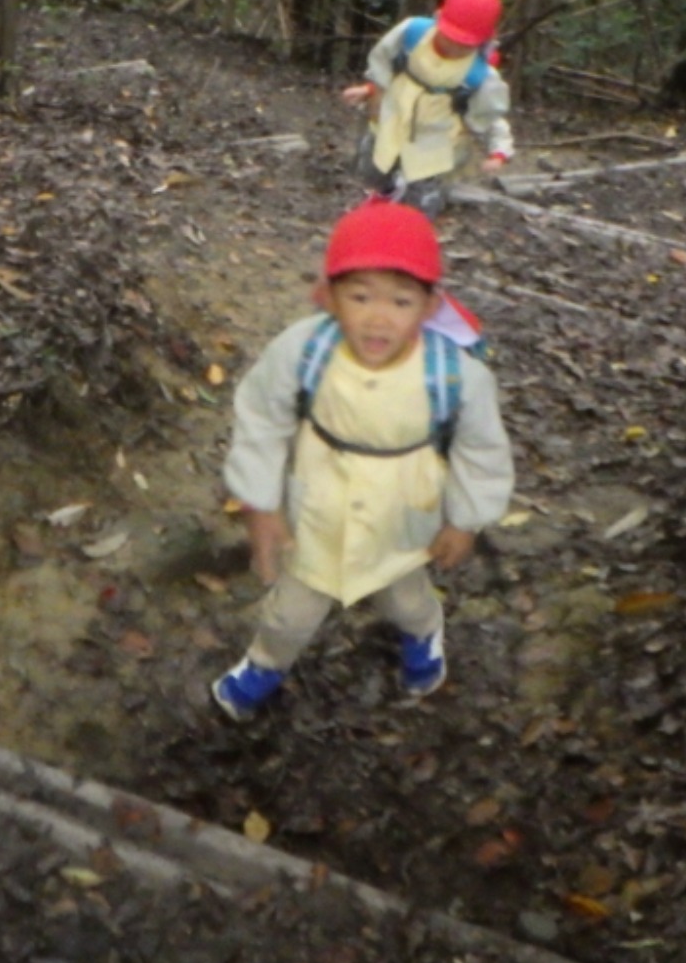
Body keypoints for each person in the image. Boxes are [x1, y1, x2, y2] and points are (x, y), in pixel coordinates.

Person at [210, 198, 515, 720]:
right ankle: (265, 663)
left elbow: (480, 450)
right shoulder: (304, 351)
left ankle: (424, 637)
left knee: (406, 598)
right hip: (316, 508)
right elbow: (262, 419)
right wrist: (260, 503)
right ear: (327, 296)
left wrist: (465, 520)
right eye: (359, 296)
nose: (378, 318)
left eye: (400, 301)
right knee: (290, 611)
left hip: (403, 514)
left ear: (428, 305)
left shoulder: (453, 376)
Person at [341, 0, 516, 217]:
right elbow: (385, 64)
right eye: (449, 38)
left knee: (423, 193)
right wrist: (371, 89)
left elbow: (491, 115)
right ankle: (383, 199)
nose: (454, 48)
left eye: (463, 45)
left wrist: (499, 150)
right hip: (393, 118)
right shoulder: (412, 34)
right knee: (376, 166)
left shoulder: (480, 76)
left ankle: (412, 226)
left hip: (436, 140)